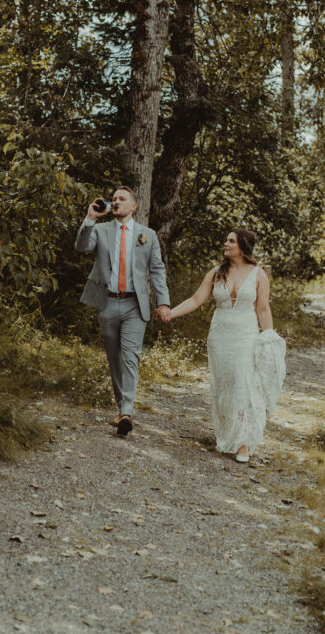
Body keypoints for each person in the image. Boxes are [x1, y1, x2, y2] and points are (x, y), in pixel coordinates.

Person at [162, 229, 285, 464]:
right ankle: (229, 432)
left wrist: (269, 338)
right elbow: (196, 299)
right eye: (227, 240)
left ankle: (243, 443)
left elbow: (262, 308)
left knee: (244, 385)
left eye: (231, 241)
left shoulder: (259, 274)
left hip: (246, 336)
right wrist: (171, 313)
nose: (225, 244)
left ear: (243, 246)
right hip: (220, 337)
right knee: (225, 387)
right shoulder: (216, 273)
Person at [76, 186, 170, 437]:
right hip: (107, 302)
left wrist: (163, 302)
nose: (116, 202)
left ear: (133, 206)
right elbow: (82, 247)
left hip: (134, 305)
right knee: (114, 357)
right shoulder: (101, 230)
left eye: (122, 199)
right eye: (114, 198)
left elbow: (157, 270)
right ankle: (122, 407)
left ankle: (127, 411)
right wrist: (90, 219)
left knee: (130, 356)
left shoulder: (147, 235)